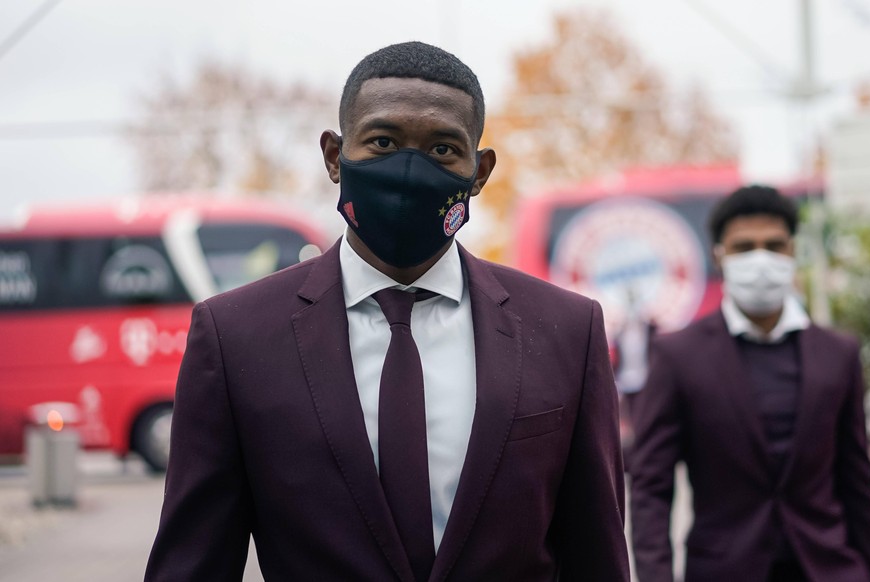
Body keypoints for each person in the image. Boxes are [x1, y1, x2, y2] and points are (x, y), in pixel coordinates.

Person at [145, 41, 630, 582]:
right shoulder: (235, 336)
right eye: (382, 141)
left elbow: (597, 554)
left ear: (480, 171)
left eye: (443, 149)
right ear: (334, 155)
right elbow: (194, 562)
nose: (409, 169)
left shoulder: (567, 330)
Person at [629, 185, 870, 582]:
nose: (761, 258)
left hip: (831, 568)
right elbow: (651, 488)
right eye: (744, 247)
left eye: (774, 245)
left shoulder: (838, 354)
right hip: (724, 570)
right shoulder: (678, 356)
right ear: (719, 256)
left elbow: (856, 480)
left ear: (792, 251)